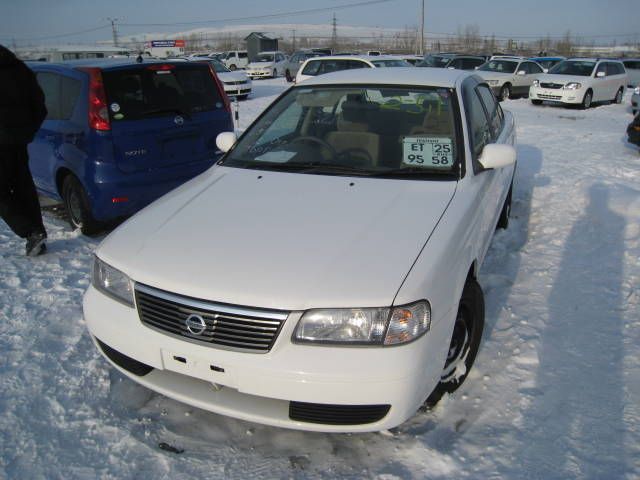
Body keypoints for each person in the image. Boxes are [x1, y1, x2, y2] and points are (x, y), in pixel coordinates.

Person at [0, 44, 48, 256]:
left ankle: (30, 231)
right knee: (24, 187)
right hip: (20, 140)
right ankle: (38, 235)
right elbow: (40, 106)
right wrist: (29, 130)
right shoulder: (21, 71)